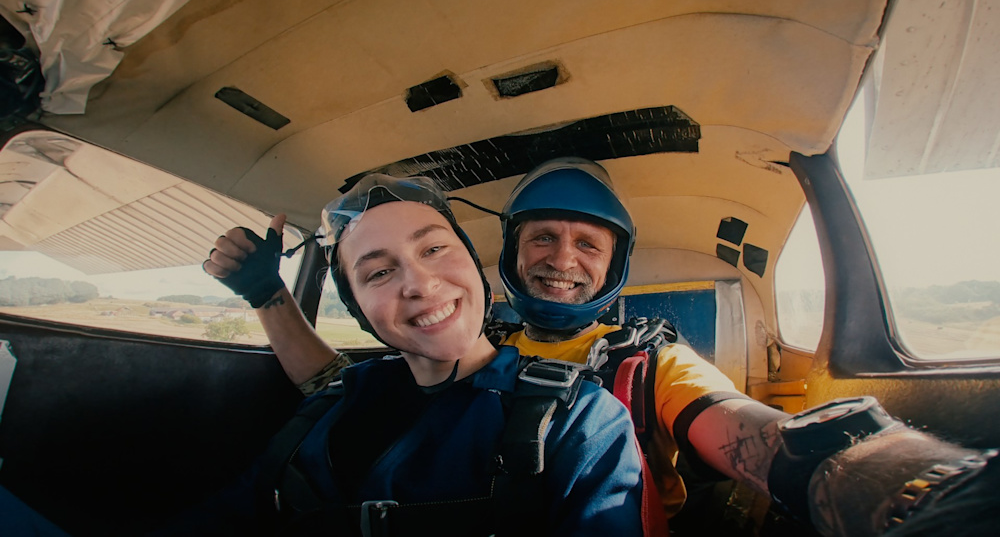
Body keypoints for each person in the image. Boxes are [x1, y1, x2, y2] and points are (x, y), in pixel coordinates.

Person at [204, 158, 994, 536]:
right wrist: (270, 297)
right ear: (508, 255)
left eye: (589, 245)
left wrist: (908, 485)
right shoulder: (469, 336)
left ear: (617, 265)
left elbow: (761, 437)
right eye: (542, 237)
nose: (561, 258)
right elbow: (338, 390)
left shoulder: (649, 361)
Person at [186, 173, 646, 535]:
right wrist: (267, 293)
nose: (421, 285)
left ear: (475, 265)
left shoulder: (580, 422)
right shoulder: (334, 404)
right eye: (380, 272)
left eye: (434, 248)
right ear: (360, 311)